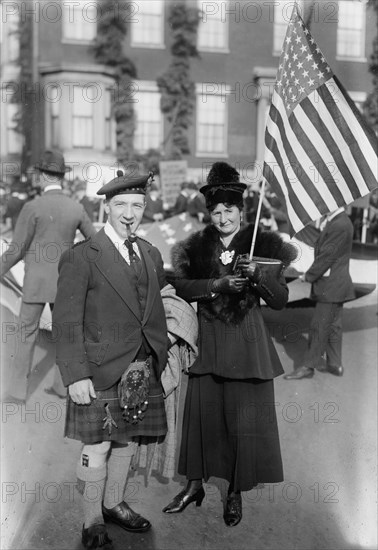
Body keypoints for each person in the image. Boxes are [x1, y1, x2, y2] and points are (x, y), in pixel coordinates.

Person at [163, 162, 297, 526]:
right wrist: (215, 286)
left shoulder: (263, 243)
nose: (222, 218)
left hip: (246, 345)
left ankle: (235, 492)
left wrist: (258, 275)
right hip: (208, 343)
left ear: (242, 211)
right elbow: (182, 285)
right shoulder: (196, 245)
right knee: (201, 416)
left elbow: (281, 299)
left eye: (229, 210)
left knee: (241, 421)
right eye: (216, 211)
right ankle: (194, 484)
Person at [52, 171, 170, 549]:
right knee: (98, 446)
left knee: (127, 443)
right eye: (120, 205)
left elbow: (152, 308)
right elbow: (67, 321)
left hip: (141, 368)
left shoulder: (151, 253)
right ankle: (91, 522)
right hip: (99, 370)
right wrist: (75, 375)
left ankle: (114, 502)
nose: (129, 213)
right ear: (106, 207)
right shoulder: (81, 256)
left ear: (145, 208)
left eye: (137, 205)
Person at [0, 150, 96, 404]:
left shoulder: (32, 207)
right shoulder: (76, 207)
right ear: (61, 177)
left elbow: (16, 250)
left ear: (43, 176)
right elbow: (95, 243)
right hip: (65, 282)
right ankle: (62, 386)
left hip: (35, 283)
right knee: (65, 334)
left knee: (26, 334)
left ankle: (18, 393)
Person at [284, 207, 355, 380]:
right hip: (337, 283)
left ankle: (308, 366)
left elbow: (327, 256)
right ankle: (335, 364)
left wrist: (308, 275)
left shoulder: (339, 224)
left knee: (319, 326)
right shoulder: (339, 221)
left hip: (331, 285)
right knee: (334, 325)